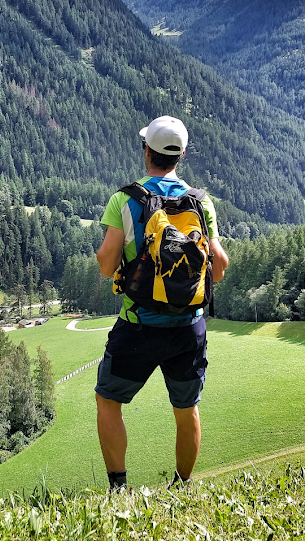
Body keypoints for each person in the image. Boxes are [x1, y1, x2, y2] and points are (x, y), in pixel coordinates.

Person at [95, 115, 229, 491]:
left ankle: (119, 489)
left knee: (107, 399)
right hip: (188, 327)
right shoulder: (202, 204)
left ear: (146, 152)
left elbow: (107, 265)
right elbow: (218, 268)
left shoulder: (124, 199)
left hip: (138, 324)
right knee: (186, 410)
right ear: (181, 155)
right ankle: (182, 486)